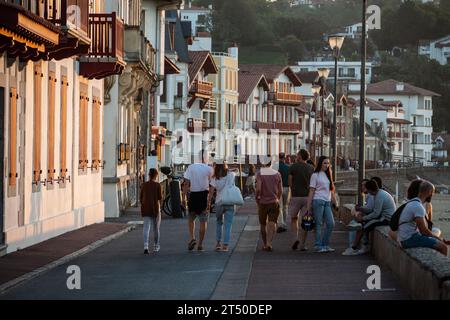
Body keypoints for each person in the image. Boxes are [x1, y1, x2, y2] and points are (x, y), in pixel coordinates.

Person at [342, 180, 396, 255]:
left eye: (367, 189)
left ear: (370, 189)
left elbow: (376, 213)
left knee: (363, 227)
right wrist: (361, 209)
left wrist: (363, 218)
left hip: (386, 219)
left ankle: (354, 248)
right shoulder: (379, 194)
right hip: (383, 217)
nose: (367, 191)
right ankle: (363, 246)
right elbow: (372, 209)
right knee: (363, 225)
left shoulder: (379, 196)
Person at [397, 181, 447, 255]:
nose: (432, 195)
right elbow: (424, 231)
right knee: (443, 247)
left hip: (403, 237)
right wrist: (438, 238)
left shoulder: (412, 202)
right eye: (432, 193)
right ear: (429, 193)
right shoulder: (418, 206)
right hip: (409, 239)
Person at [183, 150, 214, 252]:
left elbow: (186, 183)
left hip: (193, 195)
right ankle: (200, 244)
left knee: (191, 219)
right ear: (206, 158)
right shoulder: (209, 169)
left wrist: (183, 198)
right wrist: (209, 200)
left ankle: (192, 238)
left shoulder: (191, 167)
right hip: (203, 195)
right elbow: (212, 185)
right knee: (203, 221)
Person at [306, 156, 338, 253]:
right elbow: (311, 191)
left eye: (328, 163)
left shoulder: (328, 174)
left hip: (327, 202)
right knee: (319, 224)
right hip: (318, 201)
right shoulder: (315, 175)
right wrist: (308, 207)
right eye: (324, 163)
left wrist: (335, 202)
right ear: (320, 163)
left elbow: (331, 190)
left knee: (331, 223)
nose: (326, 165)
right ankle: (318, 245)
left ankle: (325, 244)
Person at [289, 149, 314, 251]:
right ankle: (303, 244)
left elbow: (290, 181)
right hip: (307, 197)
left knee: (294, 218)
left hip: (296, 197)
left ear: (300, 156)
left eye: (297, 154)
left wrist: (293, 190)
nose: (296, 156)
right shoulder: (311, 168)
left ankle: (295, 238)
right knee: (305, 221)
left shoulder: (293, 167)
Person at [256, 156, 283, 252]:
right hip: (274, 201)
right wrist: (277, 198)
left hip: (263, 202)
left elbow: (258, 188)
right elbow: (280, 190)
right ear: (271, 163)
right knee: (272, 222)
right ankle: (269, 243)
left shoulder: (260, 174)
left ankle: (265, 243)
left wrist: (257, 197)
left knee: (263, 224)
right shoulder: (277, 174)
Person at [209, 162, 236, 252]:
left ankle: (218, 244)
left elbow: (211, 191)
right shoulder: (231, 175)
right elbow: (235, 171)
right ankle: (225, 246)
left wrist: (208, 202)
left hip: (219, 202)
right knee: (228, 225)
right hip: (229, 201)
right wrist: (229, 169)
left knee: (219, 222)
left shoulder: (215, 177)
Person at [140, 168, 163, 254]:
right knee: (156, 228)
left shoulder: (143, 185)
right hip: (155, 209)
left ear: (149, 175)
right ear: (156, 175)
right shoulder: (158, 185)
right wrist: (160, 209)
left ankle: (146, 246)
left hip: (145, 208)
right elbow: (160, 198)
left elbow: (141, 197)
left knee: (146, 228)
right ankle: (156, 246)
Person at [277, 153, 290, 233]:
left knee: (279, 207)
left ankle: (281, 224)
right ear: (284, 158)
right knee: (285, 206)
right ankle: (285, 223)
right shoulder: (288, 168)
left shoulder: (276, 168)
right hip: (287, 187)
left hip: (278, 188)